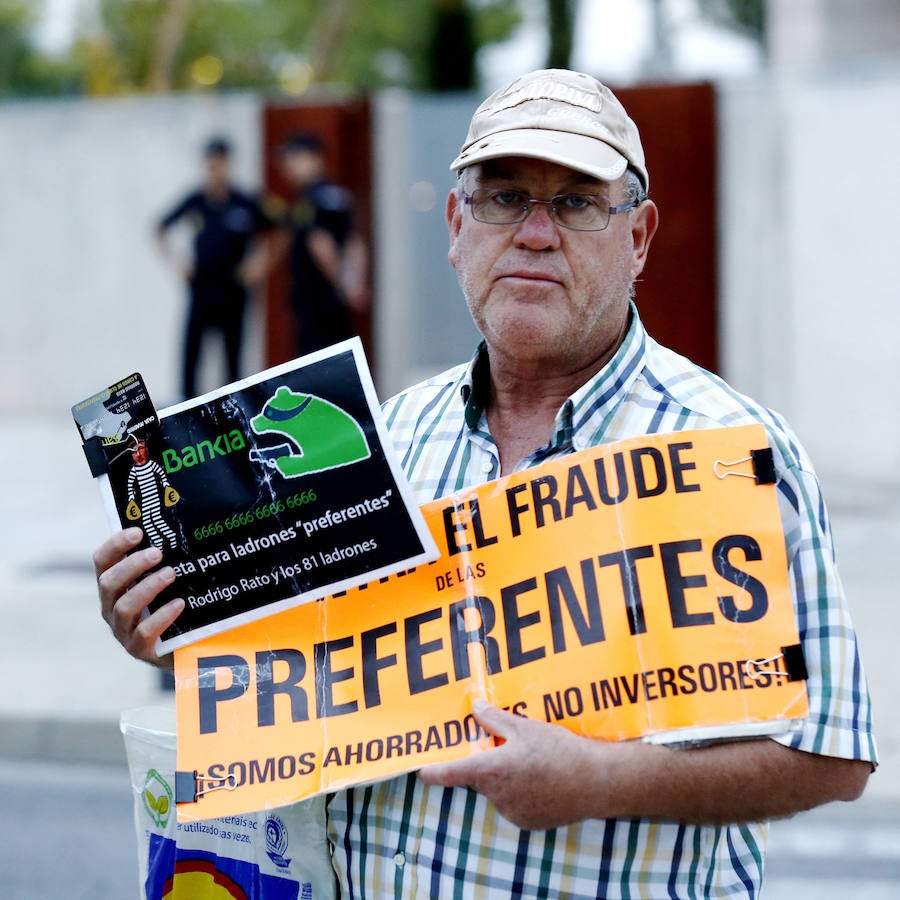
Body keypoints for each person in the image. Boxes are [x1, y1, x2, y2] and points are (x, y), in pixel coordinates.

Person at [95, 69, 876, 897]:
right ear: (457, 225)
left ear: (639, 237)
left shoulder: (728, 451)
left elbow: (827, 754)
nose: (535, 233)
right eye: (504, 198)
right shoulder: (380, 441)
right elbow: (297, 689)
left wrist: (604, 781)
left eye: (576, 203)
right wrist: (177, 625)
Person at [156, 136, 272, 399]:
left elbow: (276, 231)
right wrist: (177, 261)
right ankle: (187, 408)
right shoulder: (196, 200)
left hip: (233, 287)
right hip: (202, 286)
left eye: (220, 162)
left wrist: (259, 263)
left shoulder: (245, 201)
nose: (216, 168)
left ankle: (233, 408)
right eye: (211, 163)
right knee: (192, 353)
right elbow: (160, 227)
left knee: (232, 354)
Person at [276, 132, 368, 355]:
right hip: (335, 298)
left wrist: (343, 283)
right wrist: (355, 283)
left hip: (316, 297)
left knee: (314, 360)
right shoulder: (335, 195)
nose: (287, 167)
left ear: (312, 157)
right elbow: (354, 242)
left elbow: (320, 244)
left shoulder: (311, 198)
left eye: (292, 158)